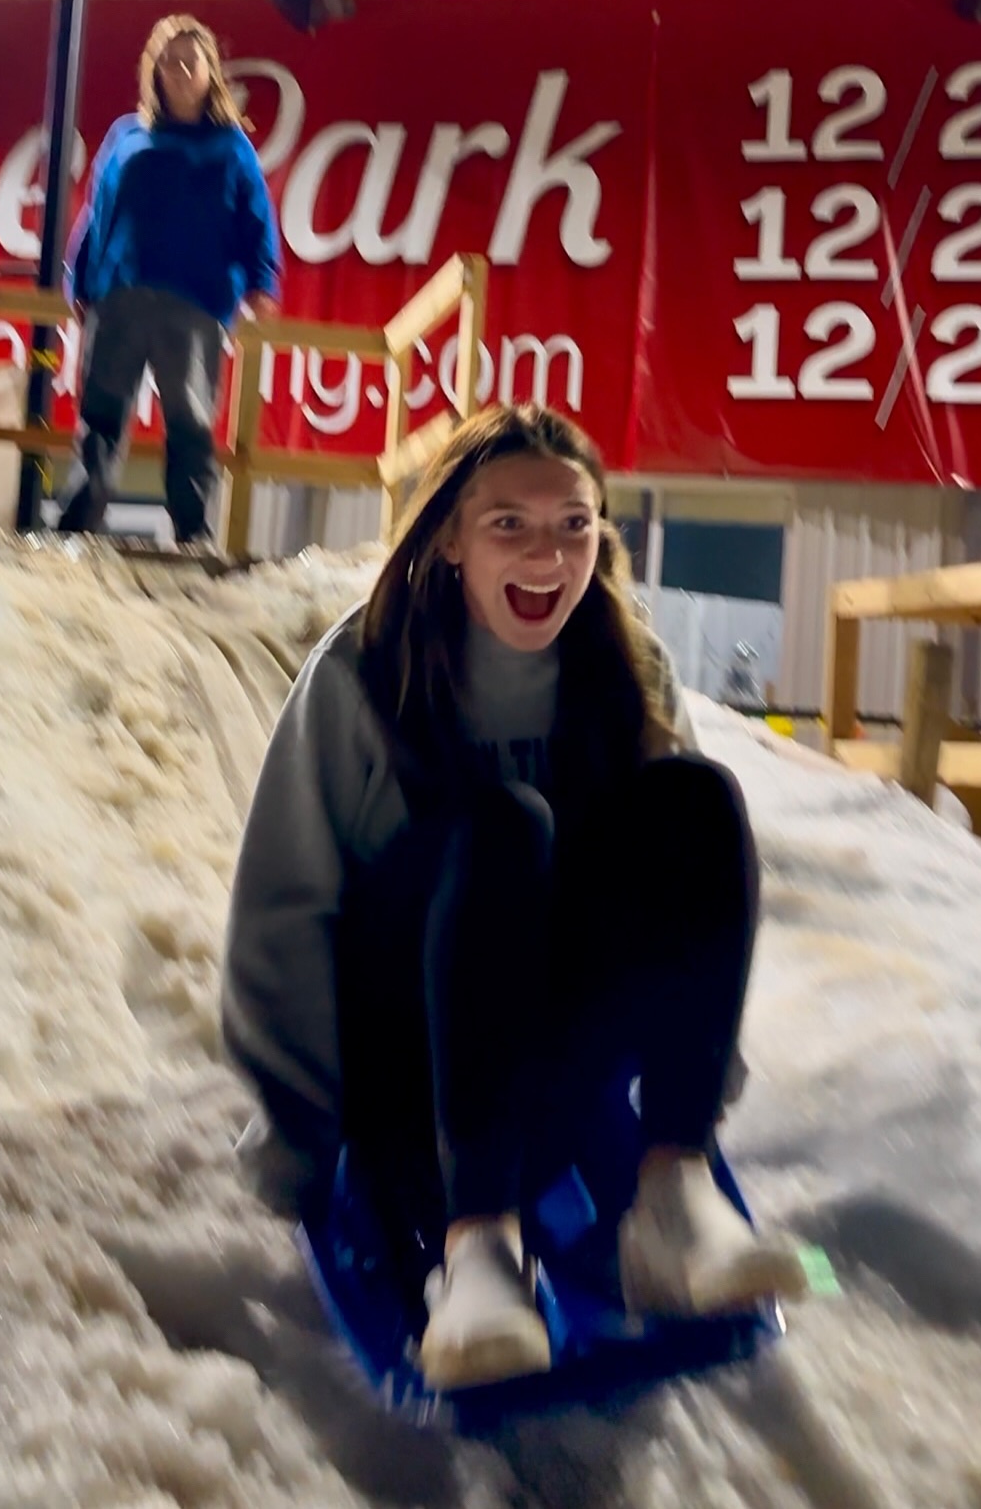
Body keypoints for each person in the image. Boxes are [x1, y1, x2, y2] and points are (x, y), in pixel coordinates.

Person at [222, 403, 808, 1394]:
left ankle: (672, 1197)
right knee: (501, 826)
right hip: (406, 1070)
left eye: (574, 524)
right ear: (450, 536)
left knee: (695, 799)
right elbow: (283, 909)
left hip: (544, 1049)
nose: (548, 555)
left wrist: (694, 1079)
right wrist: (295, 1131)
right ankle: (479, 1251)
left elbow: (688, 899)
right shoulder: (364, 676)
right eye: (511, 525)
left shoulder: (626, 670)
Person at [58, 14, 283, 544]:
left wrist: (263, 283)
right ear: (153, 72)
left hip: (196, 304)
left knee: (190, 422)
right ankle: (76, 527)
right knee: (101, 416)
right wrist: (79, 281)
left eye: (191, 61)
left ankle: (191, 534)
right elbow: (96, 211)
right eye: (169, 61)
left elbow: (256, 219)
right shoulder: (125, 135)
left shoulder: (232, 148)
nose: (180, 70)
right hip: (119, 296)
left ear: (211, 72)